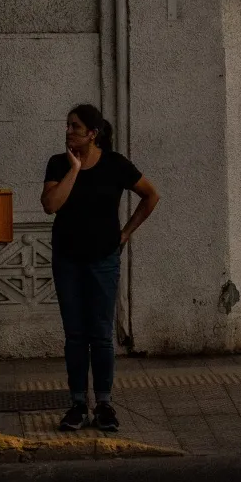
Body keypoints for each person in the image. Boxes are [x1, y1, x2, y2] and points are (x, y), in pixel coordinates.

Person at [40, 104, 158, 432]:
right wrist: (75, 169)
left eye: (75, 127)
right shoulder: (58, 163)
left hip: (104, 260)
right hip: (68, 261)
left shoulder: (116, 164)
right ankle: (78, 403)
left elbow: (151, 195)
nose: (68, 132)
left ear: (92, 134)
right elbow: (51, 205)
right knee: (76, 335)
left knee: (102, 335)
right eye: (67, 125)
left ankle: (104, 403)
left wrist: (125, 234)